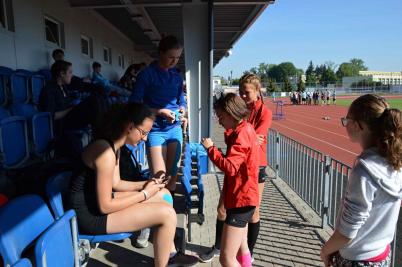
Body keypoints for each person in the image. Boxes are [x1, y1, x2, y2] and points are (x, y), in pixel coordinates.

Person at [68, 103, 198, 267]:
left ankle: (170, 255)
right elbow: (105, 206)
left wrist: (149, 184)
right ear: (130, 127)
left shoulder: (113, 146)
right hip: (90, 215)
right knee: (167, 215)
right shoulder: (105, 152)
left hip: (96, 202)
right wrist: (144, 194)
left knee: (163, 194)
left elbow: (116, 183)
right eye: (143, 133)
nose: (144, 138)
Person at [320, 94, 402, 267]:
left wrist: (325, 250)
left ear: (358, 126)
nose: (345, 124)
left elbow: (347, 231)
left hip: (357, 258)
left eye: (347, 120)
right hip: (381, 255)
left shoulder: (364, 170)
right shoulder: (394, 161)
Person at [200, 74, 272, 263]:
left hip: (242, 199)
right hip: (241, 197)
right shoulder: (244, 129)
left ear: (232, 114)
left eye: (221, 117)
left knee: (226, 258)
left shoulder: (242, 133)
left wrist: (211, 150)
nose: (219, 121)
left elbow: (230, 167)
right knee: (242, 248)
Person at [129, 35, 186, 195]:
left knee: (172, 175)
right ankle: (160, 211)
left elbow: (181, 99)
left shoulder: (176, 76)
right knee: (159, 178)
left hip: (174, 128)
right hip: (155, 130)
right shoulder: (146, 74)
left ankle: (170, 211)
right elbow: (134, 103)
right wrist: (158, 111)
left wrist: (182, 108)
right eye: (170, 57)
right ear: (160, 53)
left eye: (177, 58)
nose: (174, 61)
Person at [38, 60, 107, 136]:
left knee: (98, 97)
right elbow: (51, 116)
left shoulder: (63, 87)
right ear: (62, 74)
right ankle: (101, 135)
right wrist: (71, 109)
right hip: (61, 125)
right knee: (93, 101)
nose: (72, 75)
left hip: (69, 118)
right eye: (70, 72)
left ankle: (104, 131)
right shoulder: (49, 89)